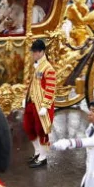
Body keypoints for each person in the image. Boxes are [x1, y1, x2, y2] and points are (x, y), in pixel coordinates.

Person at [23, 39, 57, 168]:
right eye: (34, 52)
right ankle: (38, 152)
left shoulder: (49, 68)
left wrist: (45, 106)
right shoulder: (35, 65)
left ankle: (43, 157)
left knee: (41, 131)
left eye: (36, 52)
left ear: (42, 52)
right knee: (28, 127)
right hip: (31, 103)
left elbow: (51, 88)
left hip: (42, 105)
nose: (34, 54)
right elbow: (30, 83)